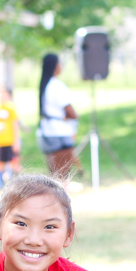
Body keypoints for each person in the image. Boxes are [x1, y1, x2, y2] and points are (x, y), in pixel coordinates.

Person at [38, 53, 81, 182]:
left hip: (47, 132)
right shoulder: (57, 85)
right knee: (62, 174)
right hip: (60, 133)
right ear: (55, 66)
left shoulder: (44, 85)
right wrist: (74, 116)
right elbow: (71, 112)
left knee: (54, 174)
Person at [0, 86, 22, 190]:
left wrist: (17, 141)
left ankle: (10, 185)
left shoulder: (11, 108)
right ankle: (0, 186)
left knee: (12, 163)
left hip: (9, 141)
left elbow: (15, 124)